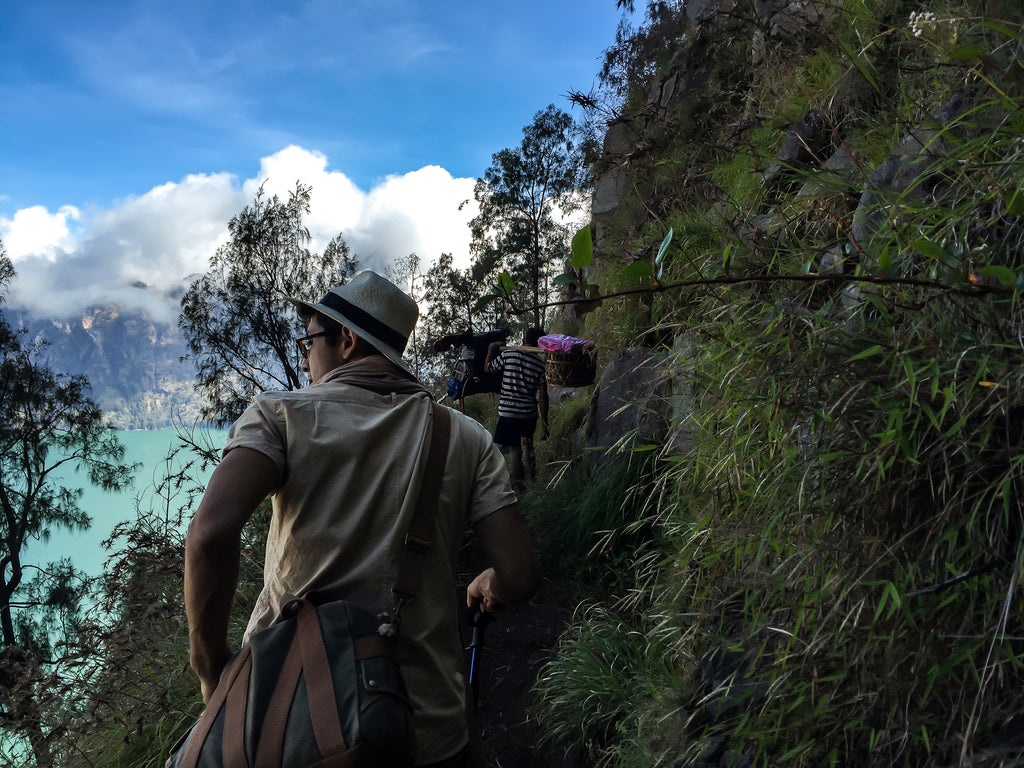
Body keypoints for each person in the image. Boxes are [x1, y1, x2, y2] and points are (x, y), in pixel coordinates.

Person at [184, 270, 541, 767]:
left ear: (347, 340)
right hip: (427, 731)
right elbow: (520, 574)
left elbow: (208, 534)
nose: (306, 357)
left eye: (309, 341)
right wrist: (490, 583)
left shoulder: (279, 415)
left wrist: (210, 667)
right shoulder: (465, 437)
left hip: (293, 725)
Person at [484, 327, 550, 488]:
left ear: (523, 340)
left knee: (514, 449)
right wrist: (544, 422)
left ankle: (519, 484)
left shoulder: (509, 354)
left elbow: (488, 369)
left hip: (508, 413)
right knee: (528, 445)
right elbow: (543, 396)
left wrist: (490, 350)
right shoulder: (541, 365)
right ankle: (533, 481)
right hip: (528, 414)